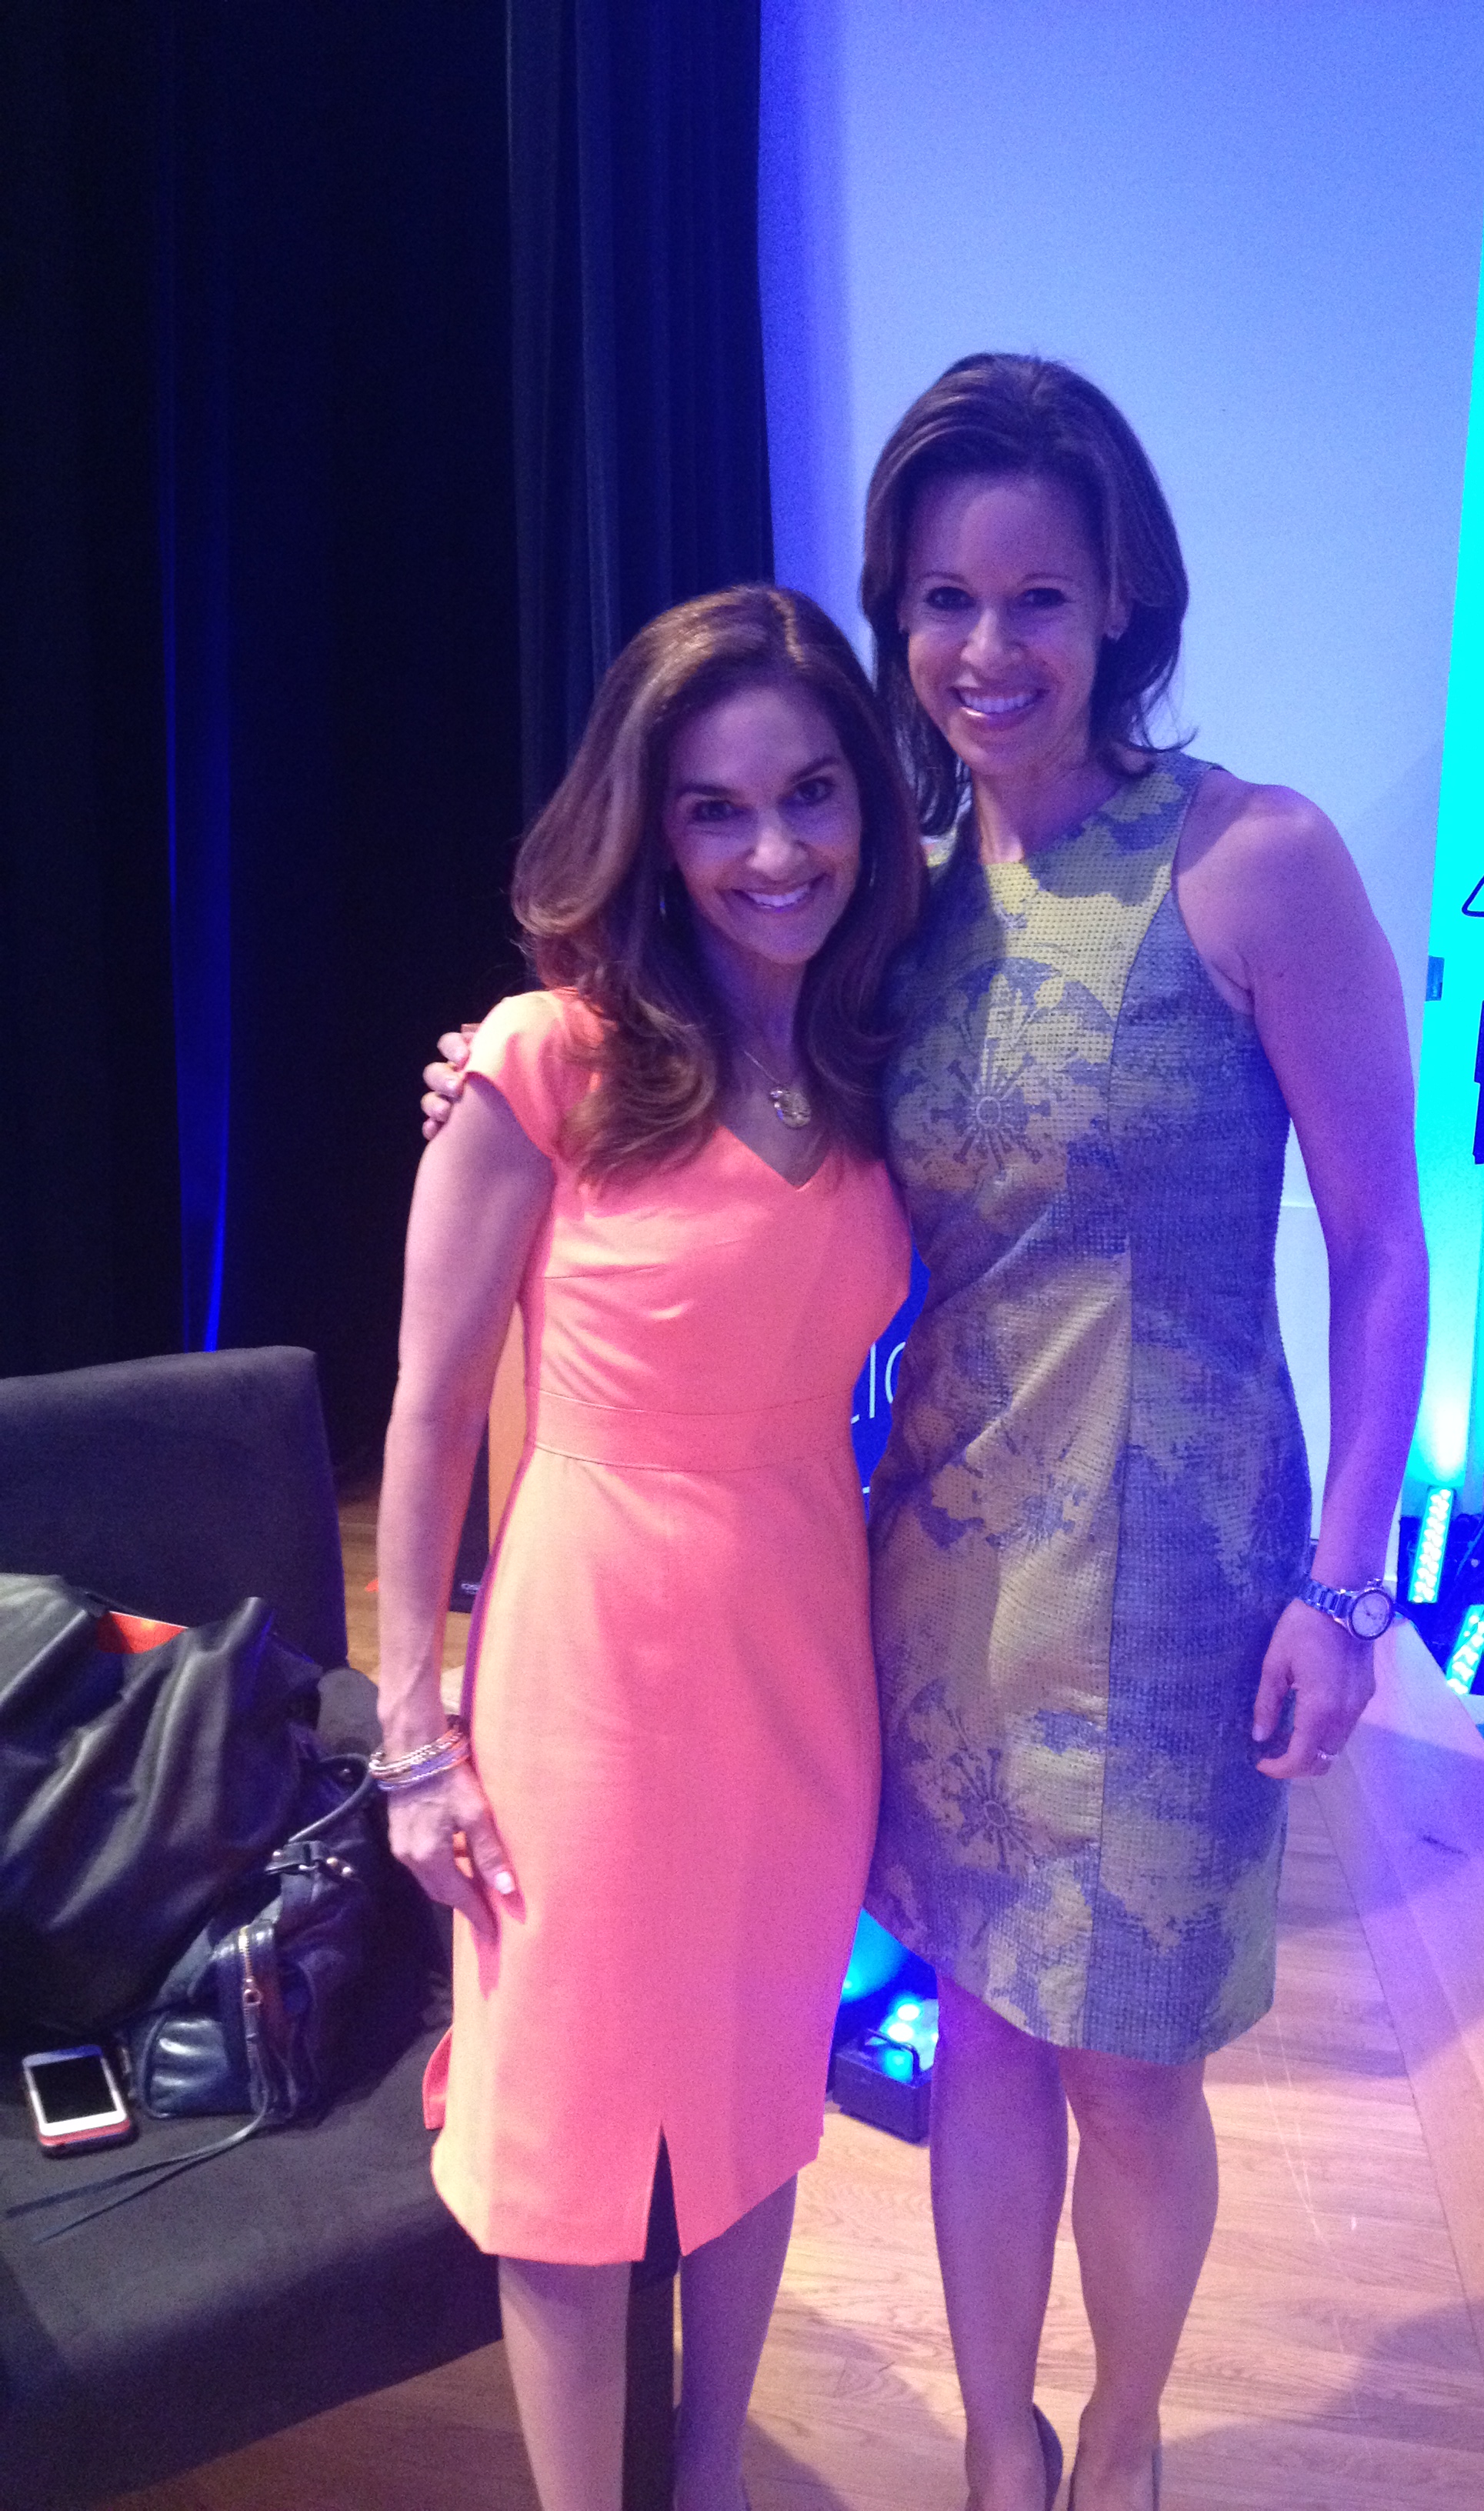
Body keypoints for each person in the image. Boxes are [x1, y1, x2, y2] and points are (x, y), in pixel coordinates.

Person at [427, 356, 1426, 2511]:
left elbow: (1383, 1246)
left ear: (1120, 604)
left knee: (1129, 2072)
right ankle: (997, 2448)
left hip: (1185, 1593)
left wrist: (1352, 1583)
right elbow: (693, 1095)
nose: (992, 648)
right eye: (947, 600)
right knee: (979, 2031)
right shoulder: (893, 915)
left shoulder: (1255, 866)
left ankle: (1130, 2448)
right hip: (934, 1577)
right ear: (902, 618)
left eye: (1041, 596)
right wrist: (501, 1093)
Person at [377, 582, 925, 2511]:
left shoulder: (877, 1055)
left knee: (759, 2098)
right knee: (572, 2137)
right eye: (714, 809)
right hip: (592, 1665)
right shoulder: (547, 1060)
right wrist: (413, 1737)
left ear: (868, 801)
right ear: (651, 825)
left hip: (804, 1659)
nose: (773, 849)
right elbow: (430, 1422)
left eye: (808, 796)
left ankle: (710, 2480)